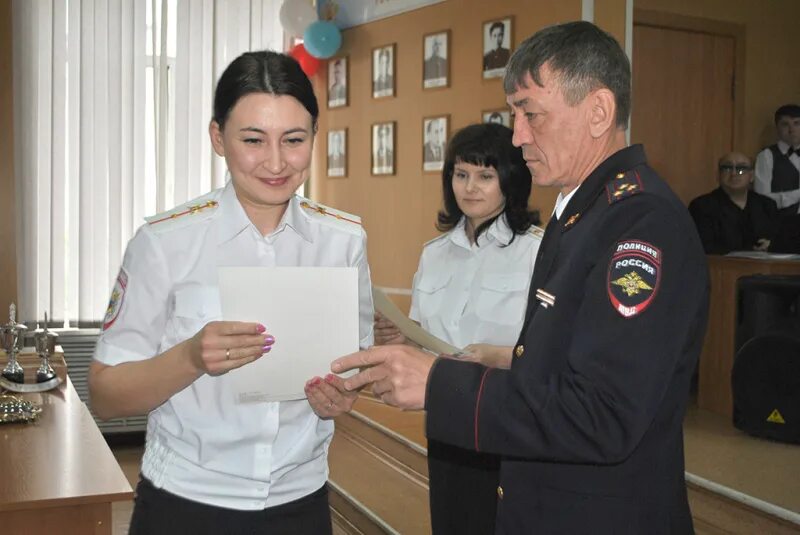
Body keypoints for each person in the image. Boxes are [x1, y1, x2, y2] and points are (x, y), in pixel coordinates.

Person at [334, 21, 709, 534]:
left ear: (598, 112)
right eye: (514, 115)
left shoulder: (640, 223)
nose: (518, 136)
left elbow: (604, 413)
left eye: (531, 114)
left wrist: (440, 383)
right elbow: (574, 356)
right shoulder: (580, 211)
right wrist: (505, 358)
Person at [88, 51, 374, 535]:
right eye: (253, 140)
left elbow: (354, 362)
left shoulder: (343, 241)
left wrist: (343, 394)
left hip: (299, 500)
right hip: (186, 502)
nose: (277, 162)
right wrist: (190, 358)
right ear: (218, 138)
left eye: (294, 140)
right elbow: (106, 395)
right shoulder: (165, 243)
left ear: (314, 137)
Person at [375, 122, 542, 535]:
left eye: (486, 176)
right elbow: (422, 330)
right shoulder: (434, 254)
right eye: (461, 174)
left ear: (510, 181)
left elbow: (548, 347)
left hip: (507, 414)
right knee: (453, 520)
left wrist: (498, 356)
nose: (470, 187)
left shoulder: (537, 252)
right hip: (447, 411)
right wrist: (399, 334)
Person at [689, 151, 780, 254]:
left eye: (741, 169)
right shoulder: (702, 206)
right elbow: (704, 248)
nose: (734, 173)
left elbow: (777, 240)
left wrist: (771, 245)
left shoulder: (767, 205)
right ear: (718, 175)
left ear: (751, 176)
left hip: (764, 267)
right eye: (727, 168)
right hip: (721, 267)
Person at [754, 104, 800, 217]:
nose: (792, 130)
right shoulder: (766, 156)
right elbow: (762, 199)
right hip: (781, 225)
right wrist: (797, 195)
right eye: (785, 124)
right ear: (777, 127)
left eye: (797, 123)